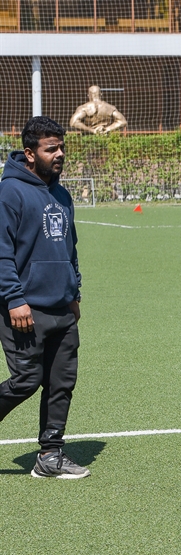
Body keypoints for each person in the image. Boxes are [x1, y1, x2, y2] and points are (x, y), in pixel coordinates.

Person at [0, 116, 88, 479]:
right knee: (25, 379)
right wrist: (14, 298)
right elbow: (2, 252)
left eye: (61, 147)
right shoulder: (10, 192)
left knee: (61, 381)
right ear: (30, 153)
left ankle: (51, 454)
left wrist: (74, 290)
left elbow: (70, 249)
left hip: (62, 307)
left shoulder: (62, 194)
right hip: (24, 307)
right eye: (51, 148)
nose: (60, 154)